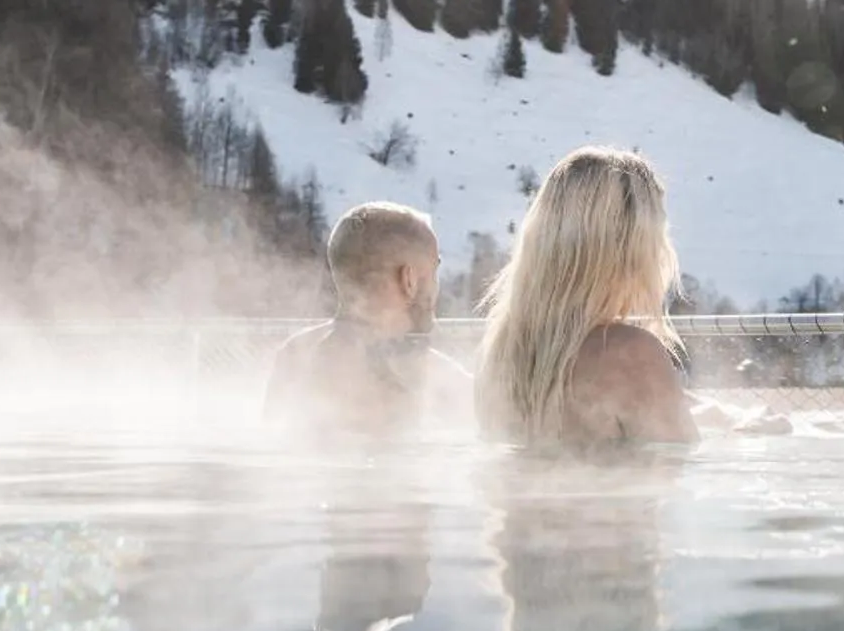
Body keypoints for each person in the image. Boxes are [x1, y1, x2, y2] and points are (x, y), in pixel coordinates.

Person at [474, 147, 698, 449]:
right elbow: (681, 467)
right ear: (628, 248)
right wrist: (749, 432)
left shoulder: (500, 355)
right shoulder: (629, 353)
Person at [264, 201, 471, 439]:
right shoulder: (438, 380)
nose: (436, 288)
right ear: (409, 280)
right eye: (434, 271)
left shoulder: (293, 356)